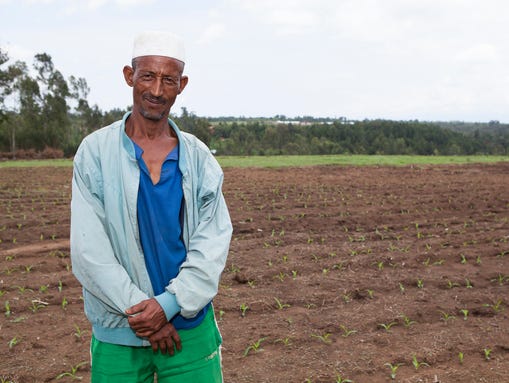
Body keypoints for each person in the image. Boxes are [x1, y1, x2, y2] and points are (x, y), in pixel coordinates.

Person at [70, 31, 232, 383]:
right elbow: (89, 251)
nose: (157, 90)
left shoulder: (199, 159)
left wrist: (169, 306)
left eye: (168, 80)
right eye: (147, 76)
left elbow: (212, 246)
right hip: (120, 332)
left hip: (188, 330)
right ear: (129, 76)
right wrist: (146, 315)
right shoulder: (95, 153)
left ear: (182, 85)